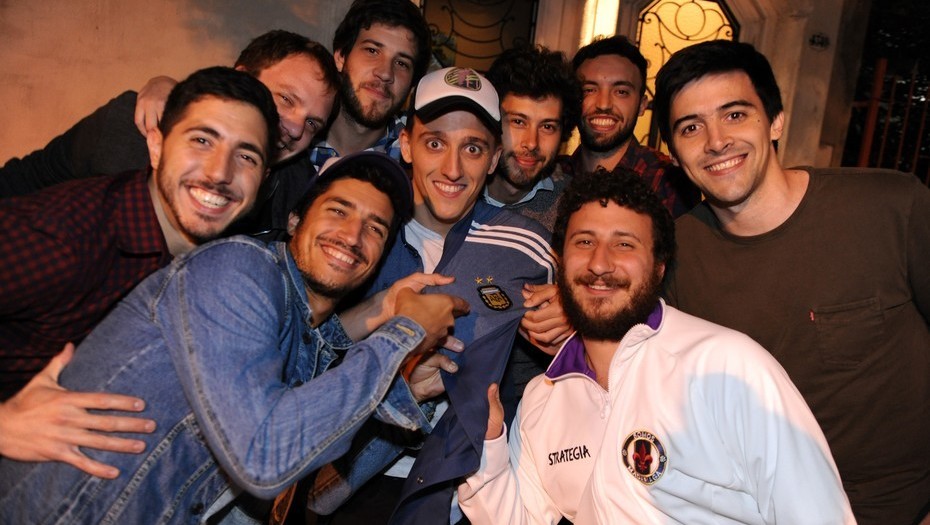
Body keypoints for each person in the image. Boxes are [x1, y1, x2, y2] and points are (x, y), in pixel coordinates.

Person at [0, 150, 471, 525]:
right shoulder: (237, 267)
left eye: (375, 229)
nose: (352, 236)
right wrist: (404, 333)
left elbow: (312, 476)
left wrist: (397, 360)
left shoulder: (299, 339)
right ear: (294, 221)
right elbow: (264, 458)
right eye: (338, 211)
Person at [457, 168, 855, 524]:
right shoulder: (542, 400)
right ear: (559, 261)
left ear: (659, 267)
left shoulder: (729, 367)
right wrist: (488, 442)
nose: (600, 263)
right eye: (584, 241)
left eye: (624, 245)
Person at [655, 40, 930, 525]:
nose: (716, 141)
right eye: (691, 127)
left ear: (776, 121)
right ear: (673, 153)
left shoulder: (890, 207)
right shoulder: (674, 255)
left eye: (735, 115)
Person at [306, 67, 558, 524]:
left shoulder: (527, 247)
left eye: (473, 148)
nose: (452, 169)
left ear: (494, 157)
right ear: (406, 144)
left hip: (459, 492)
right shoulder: (363, 230)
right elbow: (304, 345)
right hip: (342, 481)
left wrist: (571, 315)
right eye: (435, 143)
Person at [0, 30, 339, 239]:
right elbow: (20, 183)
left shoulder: (296, 190)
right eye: (285, 99)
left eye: (312, 123)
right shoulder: (136, 127)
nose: (295, 128)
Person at [564, 35, 700, 218]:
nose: (603, 104)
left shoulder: (668, 181)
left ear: (642, 105)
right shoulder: (554, 175)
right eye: (589, 90)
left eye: (621, 92)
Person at [307, 0, 432, 169]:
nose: (385, 73)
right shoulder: (292, 131)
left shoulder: (420, 159)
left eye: (401, 63)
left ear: (412, 83)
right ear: (341, 57)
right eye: (372, 51)